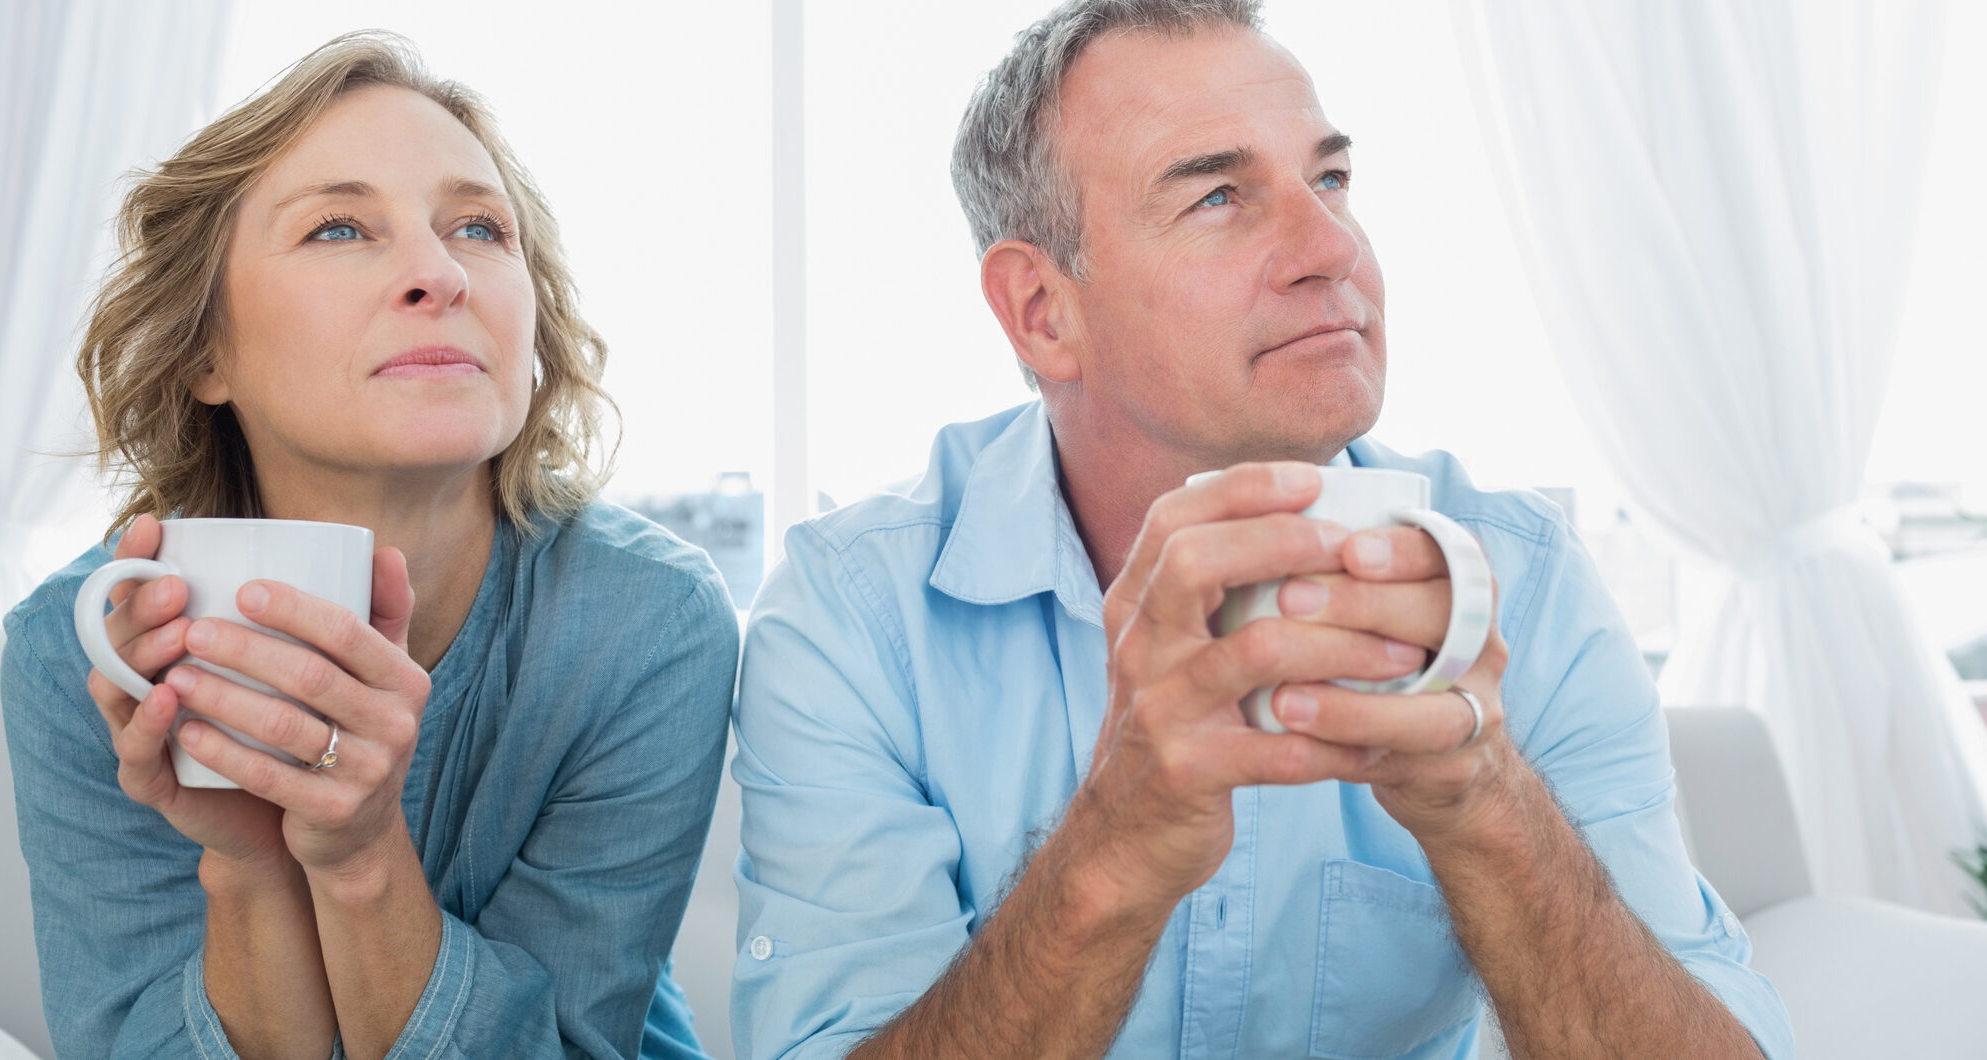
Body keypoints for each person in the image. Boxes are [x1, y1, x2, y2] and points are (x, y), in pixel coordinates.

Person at [729, 2, 1792, 1057]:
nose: (1332, 247)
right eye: (1221, 196)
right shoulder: (853, 615)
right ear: (1044, 311)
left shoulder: (1528, 578)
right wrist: (1117, 844)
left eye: (1330, 179)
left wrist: (1486, 806)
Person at [1, 33, 736, 1060]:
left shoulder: (645, 622)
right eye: (341, 228)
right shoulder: (81, 648)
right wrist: (252, 866)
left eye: (480, 227)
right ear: (205, 348)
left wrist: (356, 859)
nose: (439, 274)